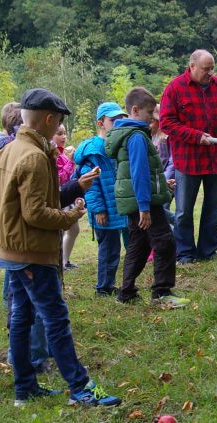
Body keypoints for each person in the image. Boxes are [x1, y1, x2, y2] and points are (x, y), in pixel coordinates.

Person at [0, 87, 120, 407]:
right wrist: (70, 215)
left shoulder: (9, 149)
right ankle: (80, 387)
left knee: (21, 317)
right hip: (32, 252)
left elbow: (19, 202)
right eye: (59, 121)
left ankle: (24, 388)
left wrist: (73, 190)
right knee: (55, 318)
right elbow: (35, 213)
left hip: (12, 250)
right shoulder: (34, 156)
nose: (60, 127)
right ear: (49, 119)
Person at [106, 87, 189, 308]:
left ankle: (126, 292)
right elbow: (139, 172)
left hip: (135, 200)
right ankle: (161, 293)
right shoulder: (136, 137)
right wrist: (144, 206)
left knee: (139, 245)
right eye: (150, 112)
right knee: (165, 242)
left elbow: (142, 172)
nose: (153, 117)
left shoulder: (128, 133)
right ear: (135, 110)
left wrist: (161, 184)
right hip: (144, 202)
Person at [160, 49, 217, 264]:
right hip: (188, 161)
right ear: (192, 66)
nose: (210, 73)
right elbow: (166, 123)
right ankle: (185, 253)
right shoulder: (174, 88)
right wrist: (195, 136)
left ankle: (207, 251)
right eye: (206, 69)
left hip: (216, 159)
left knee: (215, 209)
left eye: (212, 68)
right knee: (184, 211)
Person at [76, 102, 129, 296]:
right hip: (104, 211)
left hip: (119, 208)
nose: (118, 124)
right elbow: (90, 184)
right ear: (101, 123)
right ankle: (104, 288)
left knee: (117, 249)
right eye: (113, 121)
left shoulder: (119, 145)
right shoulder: (94, 151)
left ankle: (111, 284)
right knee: (108, 251)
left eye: (121, 121)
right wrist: (98, 209)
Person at [53, 124, 80, 269]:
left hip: (68, 196)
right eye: (59, 133)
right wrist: (70, 161)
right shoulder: (54, 154)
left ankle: (64, 261)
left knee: (73, 229)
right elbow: (60, 178)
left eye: (64, 133)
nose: (63, 137)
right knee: (66, 230)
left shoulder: (63, 153)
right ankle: (61, 262)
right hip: (60, 197)